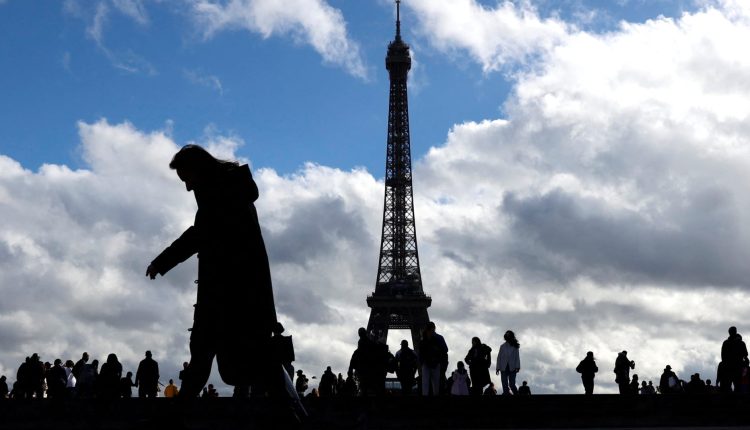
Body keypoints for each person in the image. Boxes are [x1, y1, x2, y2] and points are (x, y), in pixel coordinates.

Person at [146, 145, 278, 398]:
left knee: (207, 352)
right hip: (237, 291)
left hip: (227, 293)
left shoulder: (221, 196)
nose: (187, 187)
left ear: (198, 170)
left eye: (186, 179)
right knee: (217, 355)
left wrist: (162, 262)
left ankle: (180, 413)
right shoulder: (230, 191)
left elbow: (198, 235)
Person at [419, 322, 447, 396]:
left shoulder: (422, 340)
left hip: (427, 363)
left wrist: (421, 363)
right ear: (433, 328)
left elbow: (421, 354)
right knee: (436, 384)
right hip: (435, 363)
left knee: (426, 384)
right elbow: (445, 350)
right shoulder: (438, 338)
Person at [721, 327, 748, 392]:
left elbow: (723, 355)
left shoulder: (726, 343)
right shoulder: (741, 343)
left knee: (731, 386)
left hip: (730, 367)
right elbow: (745, 354)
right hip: (736, 367)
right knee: (737, 385)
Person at [496, 330, 521, 395]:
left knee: (512, 384)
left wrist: (517, 366)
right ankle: (506, 394)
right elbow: (499, 357)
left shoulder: (515, 346)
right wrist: (498, 367)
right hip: (503, 367)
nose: (507, 336)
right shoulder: (502, 346)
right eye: (506, 335)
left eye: (508, 335)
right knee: (504, 384)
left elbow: (517, 357)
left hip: (512, 367)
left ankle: (516, 394)